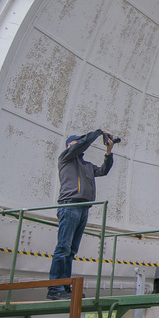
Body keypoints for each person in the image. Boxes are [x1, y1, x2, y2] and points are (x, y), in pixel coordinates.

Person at [47, 128, 115, 300]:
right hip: (69, 207)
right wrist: (99, 132)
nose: (81, 145)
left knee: (70, 251)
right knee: (63, 248)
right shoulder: (66, 158)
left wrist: (108, 152)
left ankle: (64, 286)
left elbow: (103, 171)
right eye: (77, 142)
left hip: (84, 209)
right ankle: (54, 288)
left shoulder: (86, 166)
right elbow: (83, 144)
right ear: (70, 145)